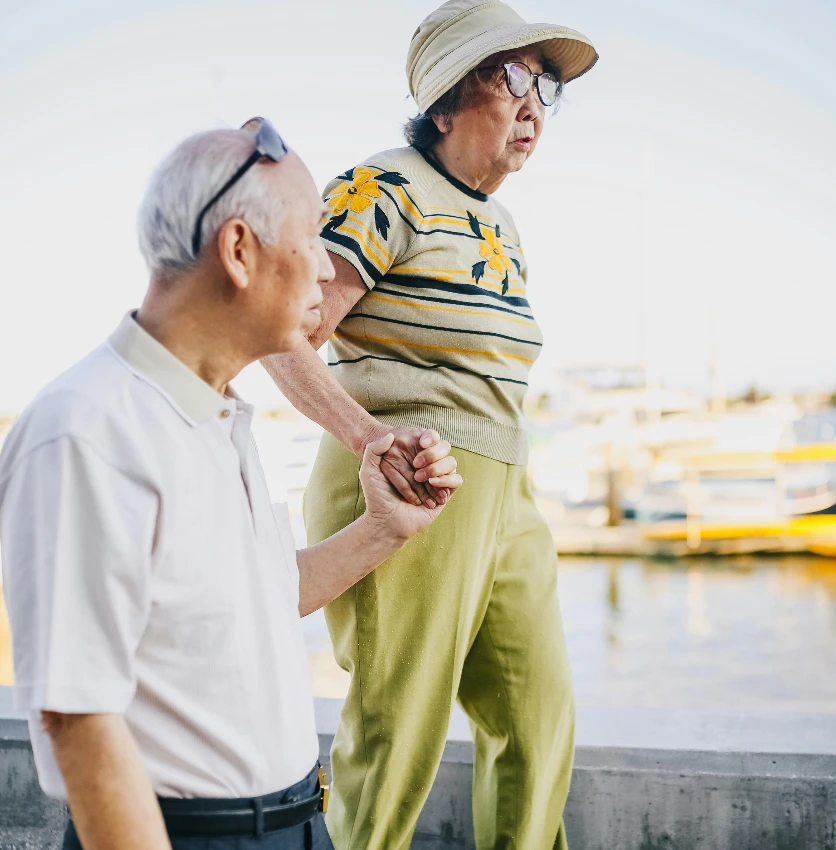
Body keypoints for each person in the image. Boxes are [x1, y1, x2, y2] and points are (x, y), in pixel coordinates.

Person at [0, 119, 462, 850]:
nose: (324, 267)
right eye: (312, 238)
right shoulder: (85, 431)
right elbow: (76, 717)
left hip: (297, 825)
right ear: (240, 252)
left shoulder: (221, 420)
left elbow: (265, 601)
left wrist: (383, 529)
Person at [262, 1, 599, 847]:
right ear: (445, 102)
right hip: (405, 479)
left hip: (504, 485)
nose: (533, 104)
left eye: (544, 85)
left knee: (536, 716)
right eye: (510, 77)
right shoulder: (383, 189)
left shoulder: (502, 221)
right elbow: (282, 336)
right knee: (396, 730)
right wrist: (368, 439)